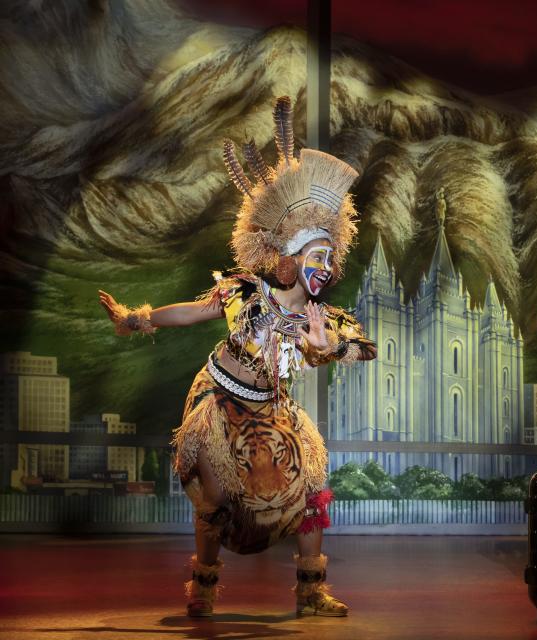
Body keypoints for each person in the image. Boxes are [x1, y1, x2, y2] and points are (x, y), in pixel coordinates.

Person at [98, 96, 375, 618]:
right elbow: (191, 312)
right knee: (214, 495)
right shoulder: (244, 290)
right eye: (316, 258)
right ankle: (203, 586)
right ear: (289, 258)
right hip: (220, 399)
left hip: (271, 406)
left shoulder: (322, 316)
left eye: (329, 259)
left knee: (314, 479)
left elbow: (363, 346)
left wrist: (327, 347)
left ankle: (312, 590)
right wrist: (138, 318)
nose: (325, 268)